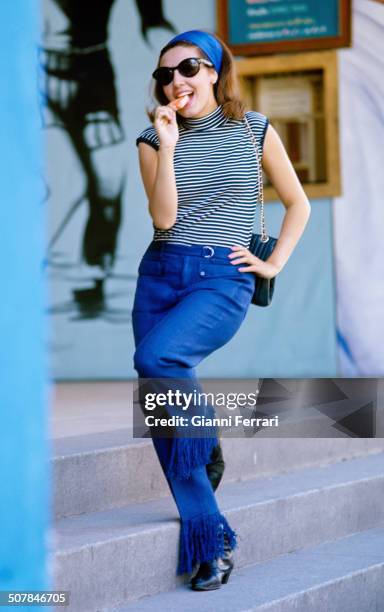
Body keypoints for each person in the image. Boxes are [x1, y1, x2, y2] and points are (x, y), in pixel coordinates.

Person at [132, 29, 311, 590]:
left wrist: (275, 261)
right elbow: (163, 219)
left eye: (186, 68)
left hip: (222, 276)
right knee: (161, 394)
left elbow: (297, 202)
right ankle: (211, 541)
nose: (175, 82)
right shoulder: (152, 137)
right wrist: (167, 145)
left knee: (159, 357)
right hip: (161, 273)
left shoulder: (254, 129)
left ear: (212, 70)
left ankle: (205, 441)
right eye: (165, 75)